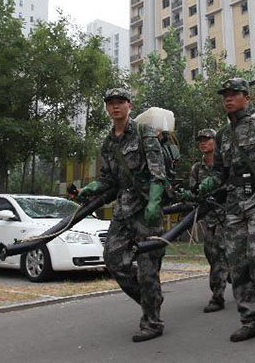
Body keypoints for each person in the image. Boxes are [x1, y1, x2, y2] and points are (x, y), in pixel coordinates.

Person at [192, 78, 255, 343]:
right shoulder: (223, 136)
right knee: (237, 264)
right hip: (235, 206)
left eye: (234, 94)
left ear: (247, 98)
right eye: (225, 94)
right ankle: (250, 320)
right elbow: (220, 173)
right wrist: (206, 185)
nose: (228, 98)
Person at [77, 88, 168, 342]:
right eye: (111, 103)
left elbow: (158, 173)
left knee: (148, 268)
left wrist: (154, 203)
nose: (115, 107)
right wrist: (92, 187)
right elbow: (108, 180)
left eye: (120, 102)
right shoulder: (108, 143)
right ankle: (151, 299)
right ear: (107, 108)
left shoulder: (143, 132)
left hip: (147, 210)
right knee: (113, 259)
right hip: (124, 209)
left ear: (129, 105)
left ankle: (152, 323)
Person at [187, 128, 229, 312]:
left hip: (226, 216)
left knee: (219, 253)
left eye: (207, 139)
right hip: (207, 218)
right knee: (210, 253)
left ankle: (217, 296)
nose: (203, 143)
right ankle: (228, 274)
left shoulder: (225, 164)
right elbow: (193, 192)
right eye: (201, 140)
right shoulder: (197, 168)